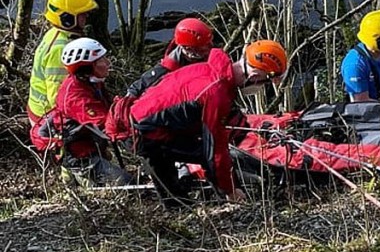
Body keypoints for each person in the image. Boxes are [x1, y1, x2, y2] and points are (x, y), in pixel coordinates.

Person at [110, 40, 287, 205]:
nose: (262, 87)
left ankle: (179, 202)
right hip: (140, 132)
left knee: (190, 156)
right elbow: (215, 150)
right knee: (203, 155)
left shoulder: (212, 67)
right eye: (265, 83)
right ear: (255, 75)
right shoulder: (217, 92)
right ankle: (220, 201)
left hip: (146, 121)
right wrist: (230, 188)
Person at [51, 38, 131, 186]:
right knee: (125, 183)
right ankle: (79, 182)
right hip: (81, 157)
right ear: (87, 67)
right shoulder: (76, 97)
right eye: (102, 60)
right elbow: (107, 124)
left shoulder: (91, 82)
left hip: (94, 147)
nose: (108, 63)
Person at [27, 0, 97, 126]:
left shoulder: (56, 33)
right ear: (67, 19)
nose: (86, 17)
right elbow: (58, 97)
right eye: (82, 14)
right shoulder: (60, 49)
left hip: (40, 111)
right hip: (46, 117)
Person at [126, 18, 214, 98]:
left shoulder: (210, 55)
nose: (208, 49)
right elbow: (139, 86)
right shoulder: (167, 67)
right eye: (203, 48)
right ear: (188, 48)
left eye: (209, 44)